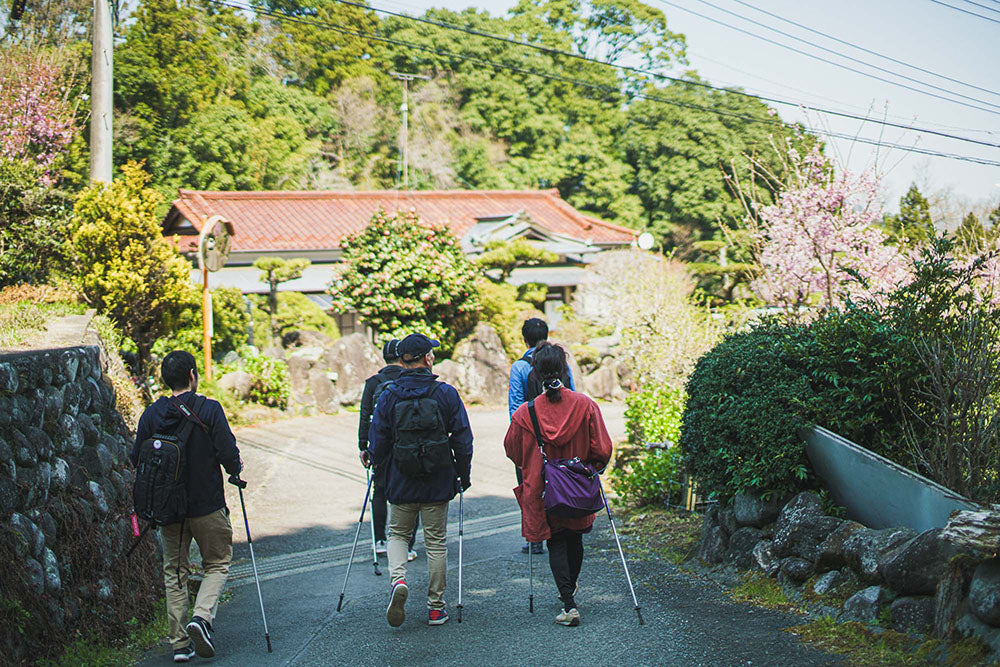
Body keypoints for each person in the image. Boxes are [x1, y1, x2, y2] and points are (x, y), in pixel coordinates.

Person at [131, 351, 242, 662]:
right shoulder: (209, 409)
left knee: (175, 571)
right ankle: (202, 617)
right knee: (217, 563)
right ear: (193, 375)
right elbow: (228, 453)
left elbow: (136, 458)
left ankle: (180, 644)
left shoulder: (152, 414)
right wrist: (236, 468)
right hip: (207, 505)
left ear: (167, 380)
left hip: (169, 510)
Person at [368, 333, 473, 628]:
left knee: (398, 534)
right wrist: (462, 474)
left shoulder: (389, 395)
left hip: (401, 479)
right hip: (438, 478)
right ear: (427, 359)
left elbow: (378, 441)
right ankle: (436, 608)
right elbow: (463, 437)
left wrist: (379, 469)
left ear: (402, 361)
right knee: (436, 541)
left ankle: (398, 580)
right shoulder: (445, 393)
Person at [503, 342, 612, 627]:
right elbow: (602, 450)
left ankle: (568, 603)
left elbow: (512, 451)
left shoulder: (525, 414)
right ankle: (570, 591)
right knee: (575, 537)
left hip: (545, 489)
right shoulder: (585, 405)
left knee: (557, 540)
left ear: (536, 375)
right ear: (564, 370)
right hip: (577, 486)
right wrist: (589, 469)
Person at [507, 317, 575, 555]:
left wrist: (519, 438)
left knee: (530, 485)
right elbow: (572, 395)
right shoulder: (562, 363)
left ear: (524, 339)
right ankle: (563, 528)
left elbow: (515, 407)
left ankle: (534, 536)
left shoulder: (519, 367)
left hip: (531, 434)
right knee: (562, 479)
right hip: (563, 432)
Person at [359, 339, 417, 561]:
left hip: (381, 445)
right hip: (407, 444)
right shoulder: (410, 379)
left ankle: (380, 541)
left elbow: (365, 415)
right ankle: (407, 545)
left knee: (380, 492)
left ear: (384, 358)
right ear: (403, 357)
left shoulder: (373, 383)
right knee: (410, 493)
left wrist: (363, 446)